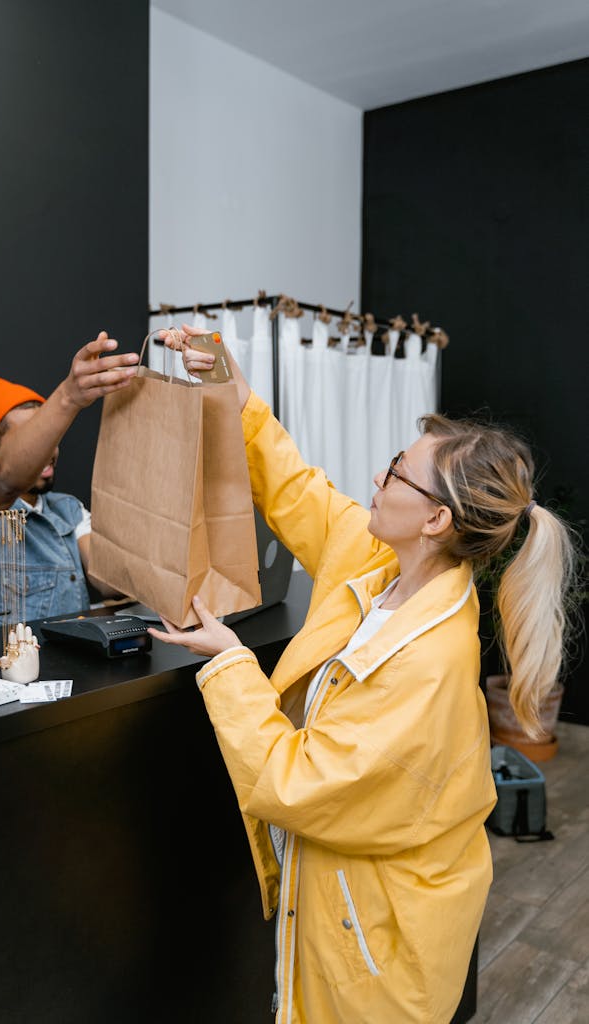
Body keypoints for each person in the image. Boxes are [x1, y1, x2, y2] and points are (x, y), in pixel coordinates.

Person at [150, 324, 577, 1024]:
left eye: (395, 471)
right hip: (349, 914)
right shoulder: (381, 567)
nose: (376, 477)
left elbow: (293, 781)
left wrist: (230, 662)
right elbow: (297, 492)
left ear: (435, 518)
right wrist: (235, 394)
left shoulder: (428, 662)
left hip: (377, 949)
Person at [0, 332, 139, 631]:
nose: (48, 450)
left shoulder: (69, 510)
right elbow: (6, 481)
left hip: (70, 676)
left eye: (49, 437)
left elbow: (111, 584)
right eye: (32, 440)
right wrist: (67, 397)